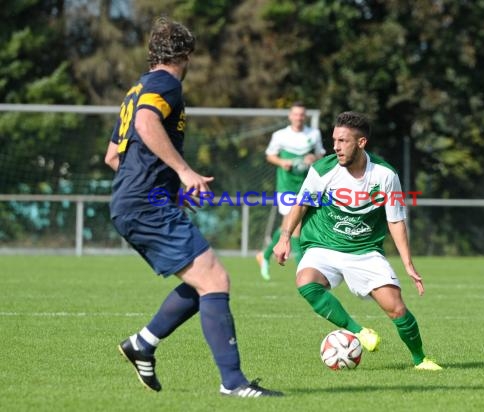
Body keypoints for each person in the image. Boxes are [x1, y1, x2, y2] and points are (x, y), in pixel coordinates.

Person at [105, 17, 283, 397]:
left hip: (134, 201)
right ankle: (233, 383)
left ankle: (144, 344)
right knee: (215, 279)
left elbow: (112, 157)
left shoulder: (136, 88)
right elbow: (147, 123)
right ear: (185, 55)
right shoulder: (165, 84)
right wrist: (183, 172)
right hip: (143, 204)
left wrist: (162, 188)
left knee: (205, 281)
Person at [273, 111, 442, 371]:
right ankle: (358, 331)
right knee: (306, 283)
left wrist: (408, 264)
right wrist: (285, 238)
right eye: (334, 141)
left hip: (364, 250)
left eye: (343, 141)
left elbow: (395, 220)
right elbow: (301, 203)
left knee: (396, 308)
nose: (336, 147)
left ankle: (421, 360)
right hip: (323, 245)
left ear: (361, 143)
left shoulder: (386, 175)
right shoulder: (323, 169)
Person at [256, 102, 325, 280]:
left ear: (305, 116)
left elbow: (321, 155)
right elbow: (270, 155)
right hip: (286, 185)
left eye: (302, 114)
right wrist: (282, 162)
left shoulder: (313, 134)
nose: (298, 117)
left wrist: (313, 157)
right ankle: (303, 272)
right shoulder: (280, 136)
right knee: (296, 227)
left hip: (306, 185)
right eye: (296, 114)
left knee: (289, 225)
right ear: (290, 116)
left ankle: (264, 255)